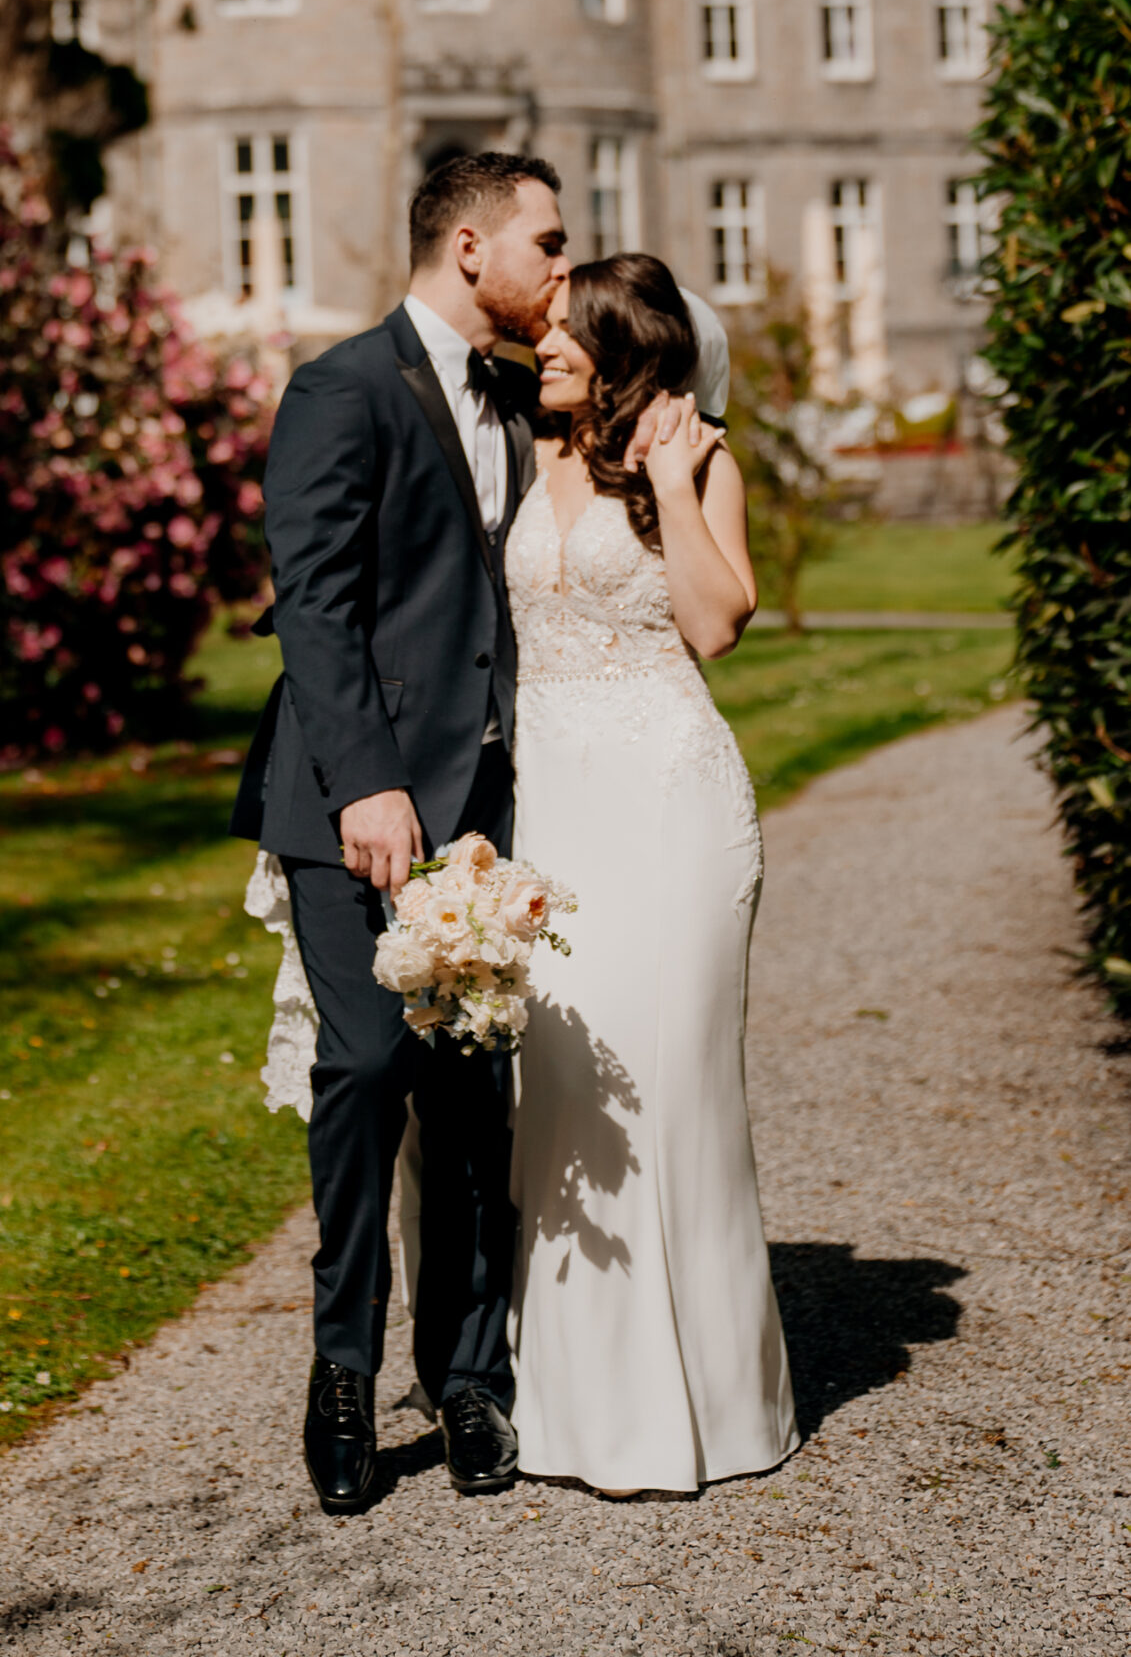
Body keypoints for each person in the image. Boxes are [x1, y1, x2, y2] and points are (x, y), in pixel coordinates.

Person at [233, 152, 566, 1512]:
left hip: (483, 811)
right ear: (469, 243)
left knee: (470, 1094)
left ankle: (468, 1379)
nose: (560, 265)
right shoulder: (340, 387)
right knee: (364, 1079)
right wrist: (368, 785)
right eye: (545, 242)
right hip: (347, 804)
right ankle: (338, 1380)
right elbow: (310, 603)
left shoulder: (518, 391)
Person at [506, 253, 798, 1492]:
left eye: (567, 333)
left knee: (668, 1091)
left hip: (673, 802)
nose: (545, 347)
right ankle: (564, 1405)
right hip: (550, 803)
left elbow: (716, 623)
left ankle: (708, 1409)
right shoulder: (525, 454)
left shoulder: (703, 456)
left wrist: (675, 484)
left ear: (624, 346)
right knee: (559, 1087)